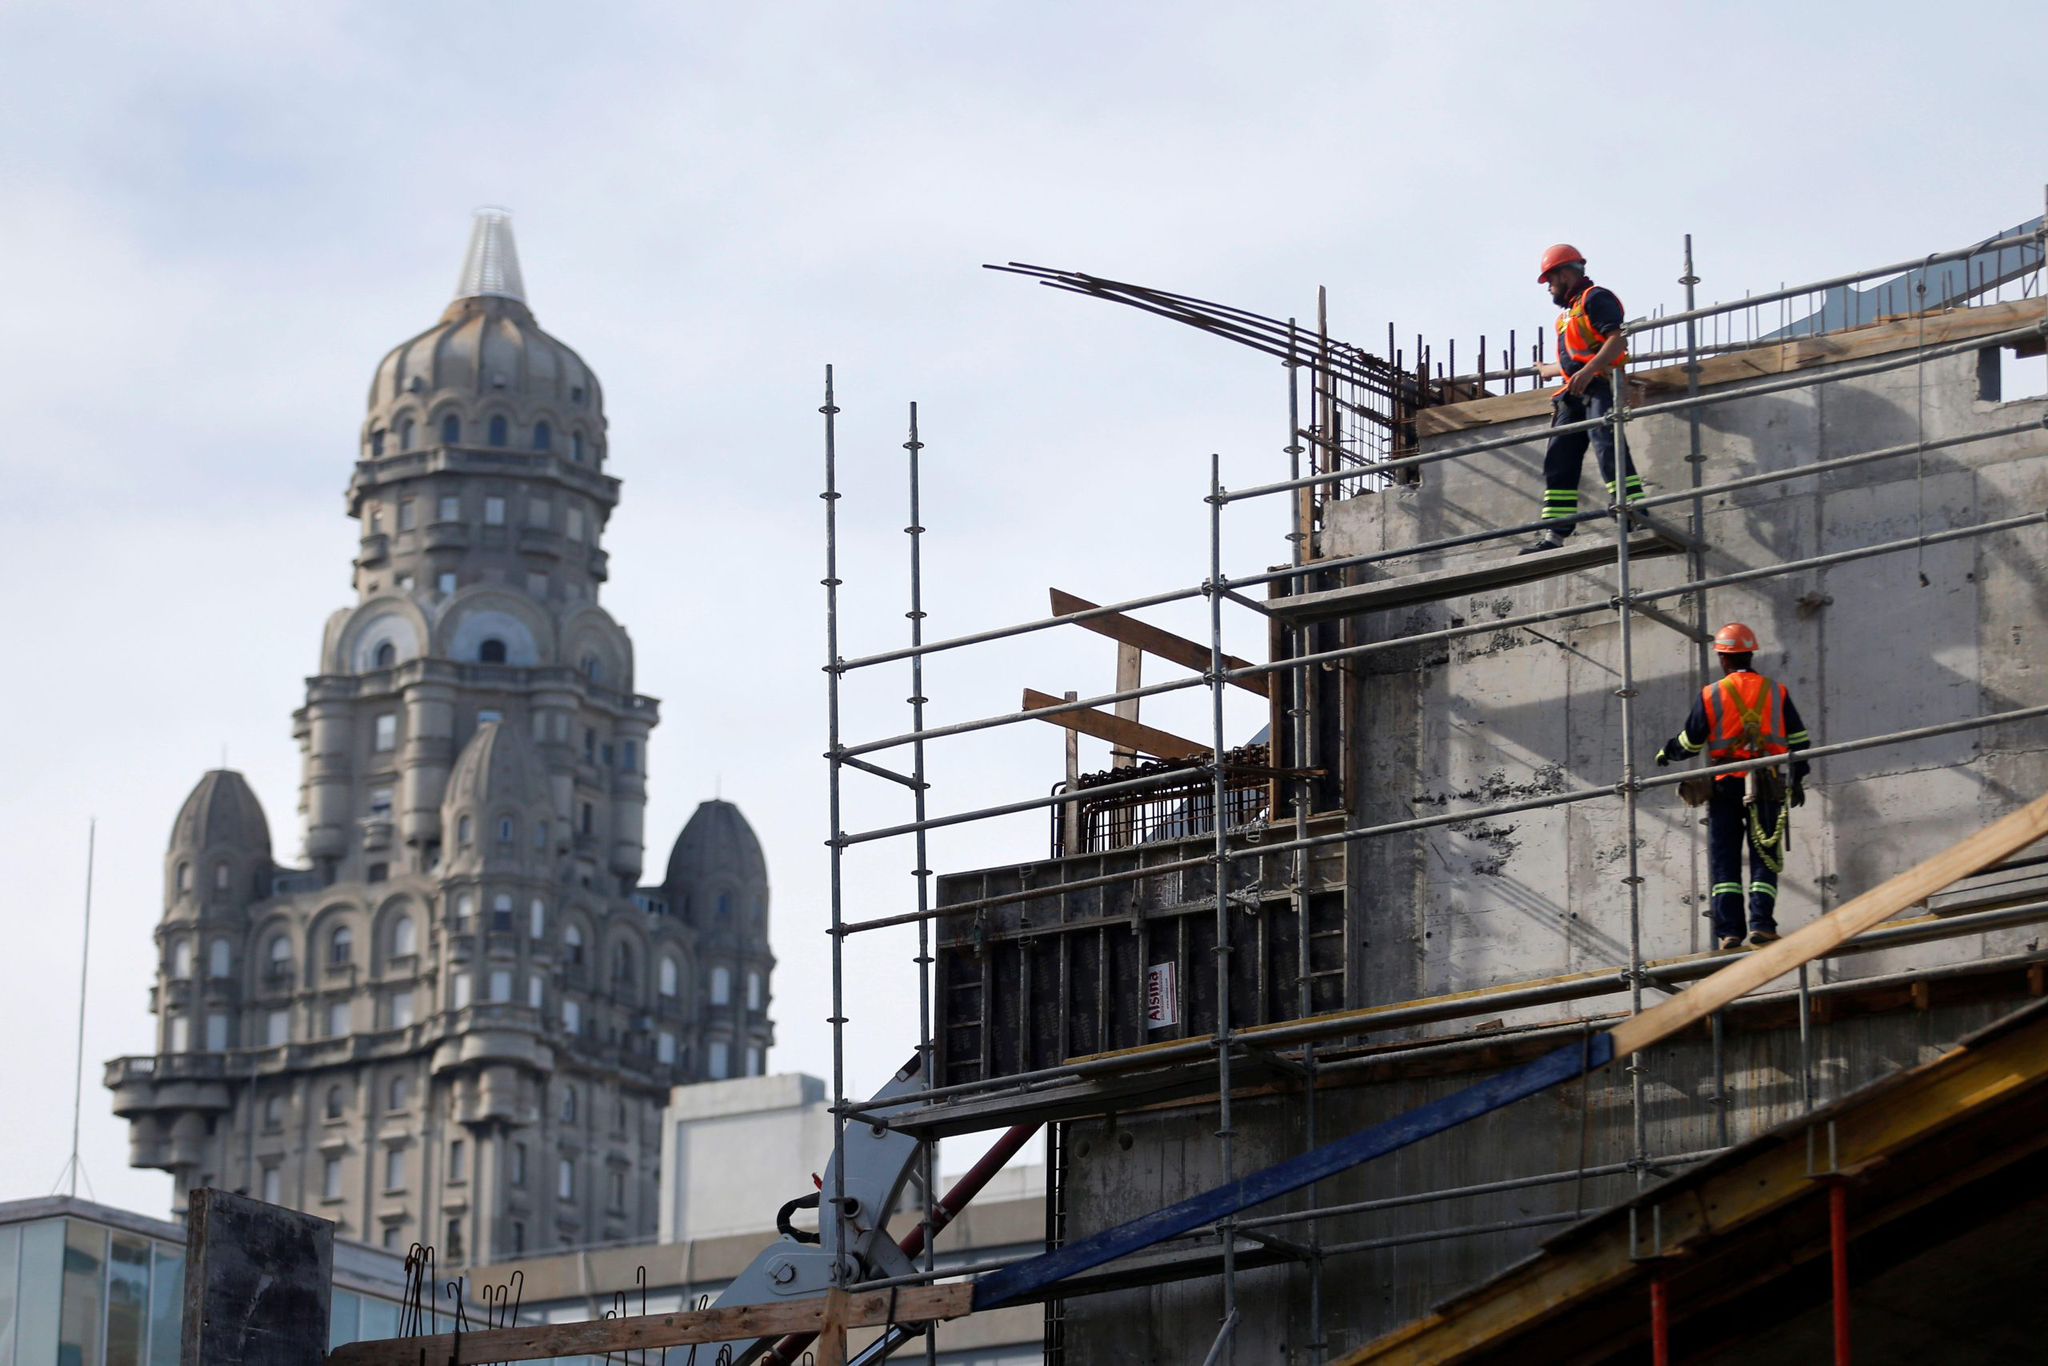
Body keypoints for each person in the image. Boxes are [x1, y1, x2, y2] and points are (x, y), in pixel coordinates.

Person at [1656, 623, 1813, 951]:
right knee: (1764, 856)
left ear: (1723, 658)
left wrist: (1667, 752)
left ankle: (1730, 933)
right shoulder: (1776, 692)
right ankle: (1762, 925)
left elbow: (1690, 742)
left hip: (1726, 783)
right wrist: (1797, 778)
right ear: (1750, 654)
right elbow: (1799, 741)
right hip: (1767, 782)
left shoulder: (1712, 694)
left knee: (1724, 859)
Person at [1523, 244, 1644, 554]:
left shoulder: (1595, 298)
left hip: (1598, 385)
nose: (1549, 288)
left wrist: (1589, 372)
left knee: (1607, 445)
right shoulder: (1566, 316)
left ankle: (1633, 511)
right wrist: (1547, 369)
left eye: (1550, 280)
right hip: (1573, 392)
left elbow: (1617, 340)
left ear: (1565, 274)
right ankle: (1555, 533)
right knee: (1559, 458)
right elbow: (1574, 360)